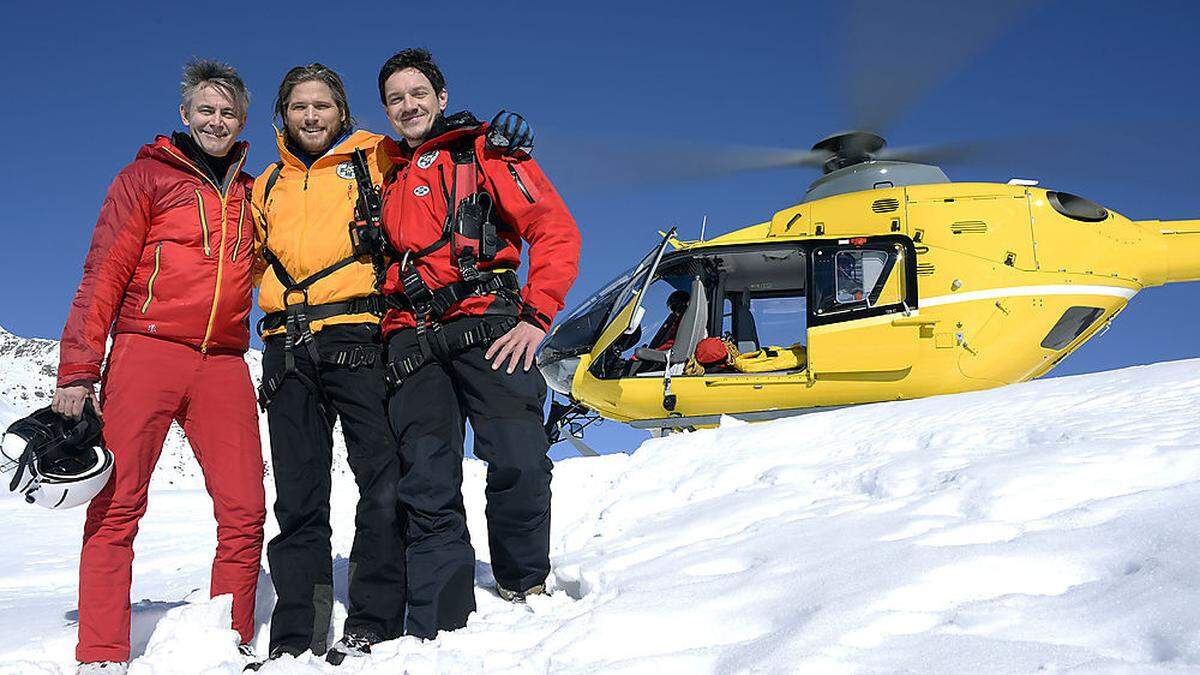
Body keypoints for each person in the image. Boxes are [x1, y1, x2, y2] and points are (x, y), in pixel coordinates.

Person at [53, 60, 266, 675]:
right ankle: (101, 654)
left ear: (242, 120)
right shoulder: (144, 177)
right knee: (118, 504)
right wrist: (78, 371)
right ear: (185, 115)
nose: (216, 120)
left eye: (227, 112)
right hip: (147, 350)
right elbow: (104, 272)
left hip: (224, 361)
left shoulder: (253, 193)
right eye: (206, 109)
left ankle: (231, 641)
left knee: (245, 508)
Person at [375, 48, 581, 639]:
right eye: (395, 98)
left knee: (517, 456)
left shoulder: (485, 150)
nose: (408, 105)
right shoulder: (383, 174)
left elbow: (555, 229)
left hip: (490, 327)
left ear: (441, 98)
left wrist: (537, 316)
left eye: (419, 94)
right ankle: (442, 619)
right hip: (412, 342)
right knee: (427, 477)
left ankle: (524, 584)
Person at [249, 63, 405, 667]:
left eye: (321, 105)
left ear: (341, 110)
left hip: (357, 338)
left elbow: (434, 154)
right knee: (299, 497)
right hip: (287, 348)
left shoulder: (375, 158)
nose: (310, 116)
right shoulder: (266, 186)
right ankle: (299, 633)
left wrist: (490, 144)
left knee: (382, 483)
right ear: (282, 116)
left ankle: (375, 620)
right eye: (298, 107)